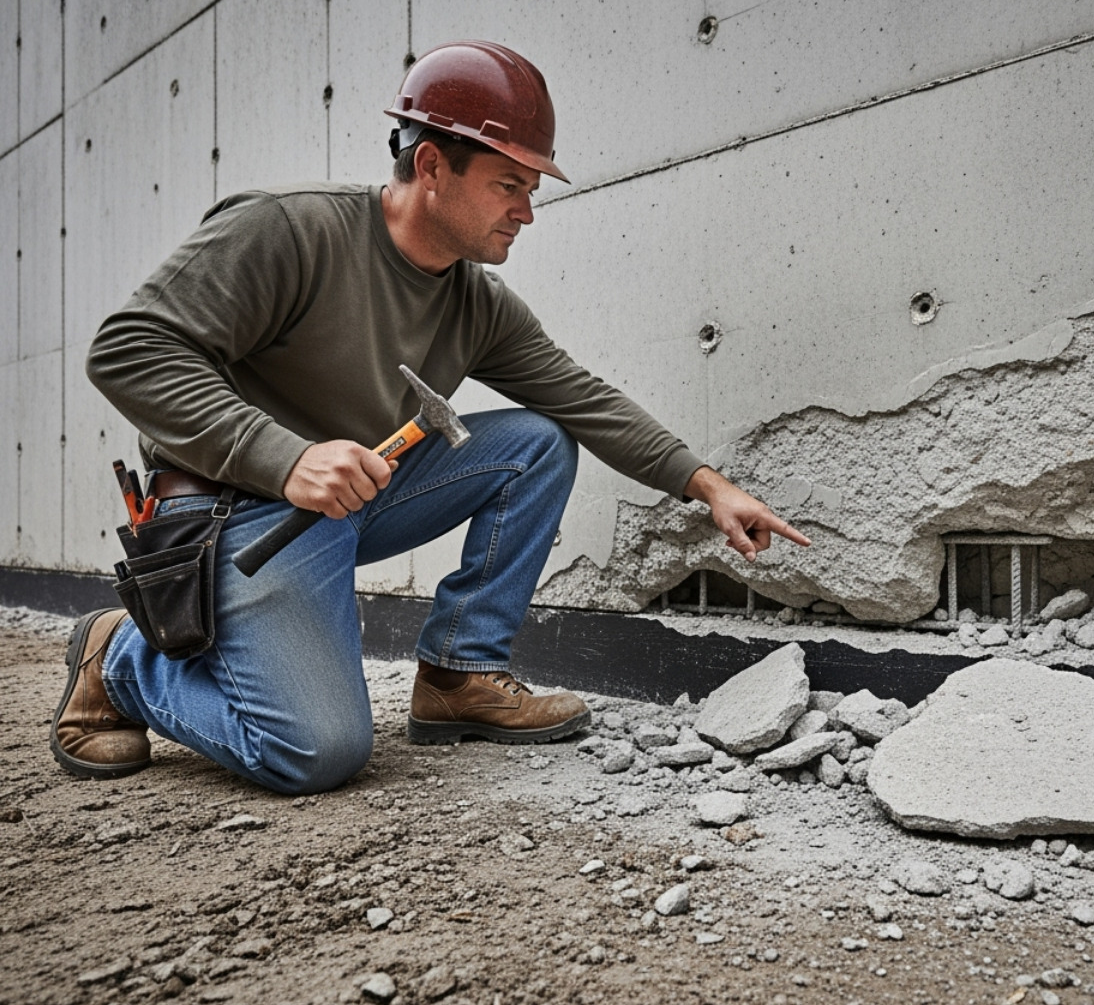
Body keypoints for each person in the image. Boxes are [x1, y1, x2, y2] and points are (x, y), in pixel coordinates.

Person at [52, 41, 809, 795]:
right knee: (315, 752)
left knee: (536, 445)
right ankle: (119, 658)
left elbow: (582, 396)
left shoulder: (473, 302)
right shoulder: (290, 232)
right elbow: (129, 350)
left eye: (532, 187)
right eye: (509, 184)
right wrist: (284, 458)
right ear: (431, 168)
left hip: (347, 502)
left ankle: (459, 675)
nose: (527, 212)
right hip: (236, 514)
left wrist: (707, 484)